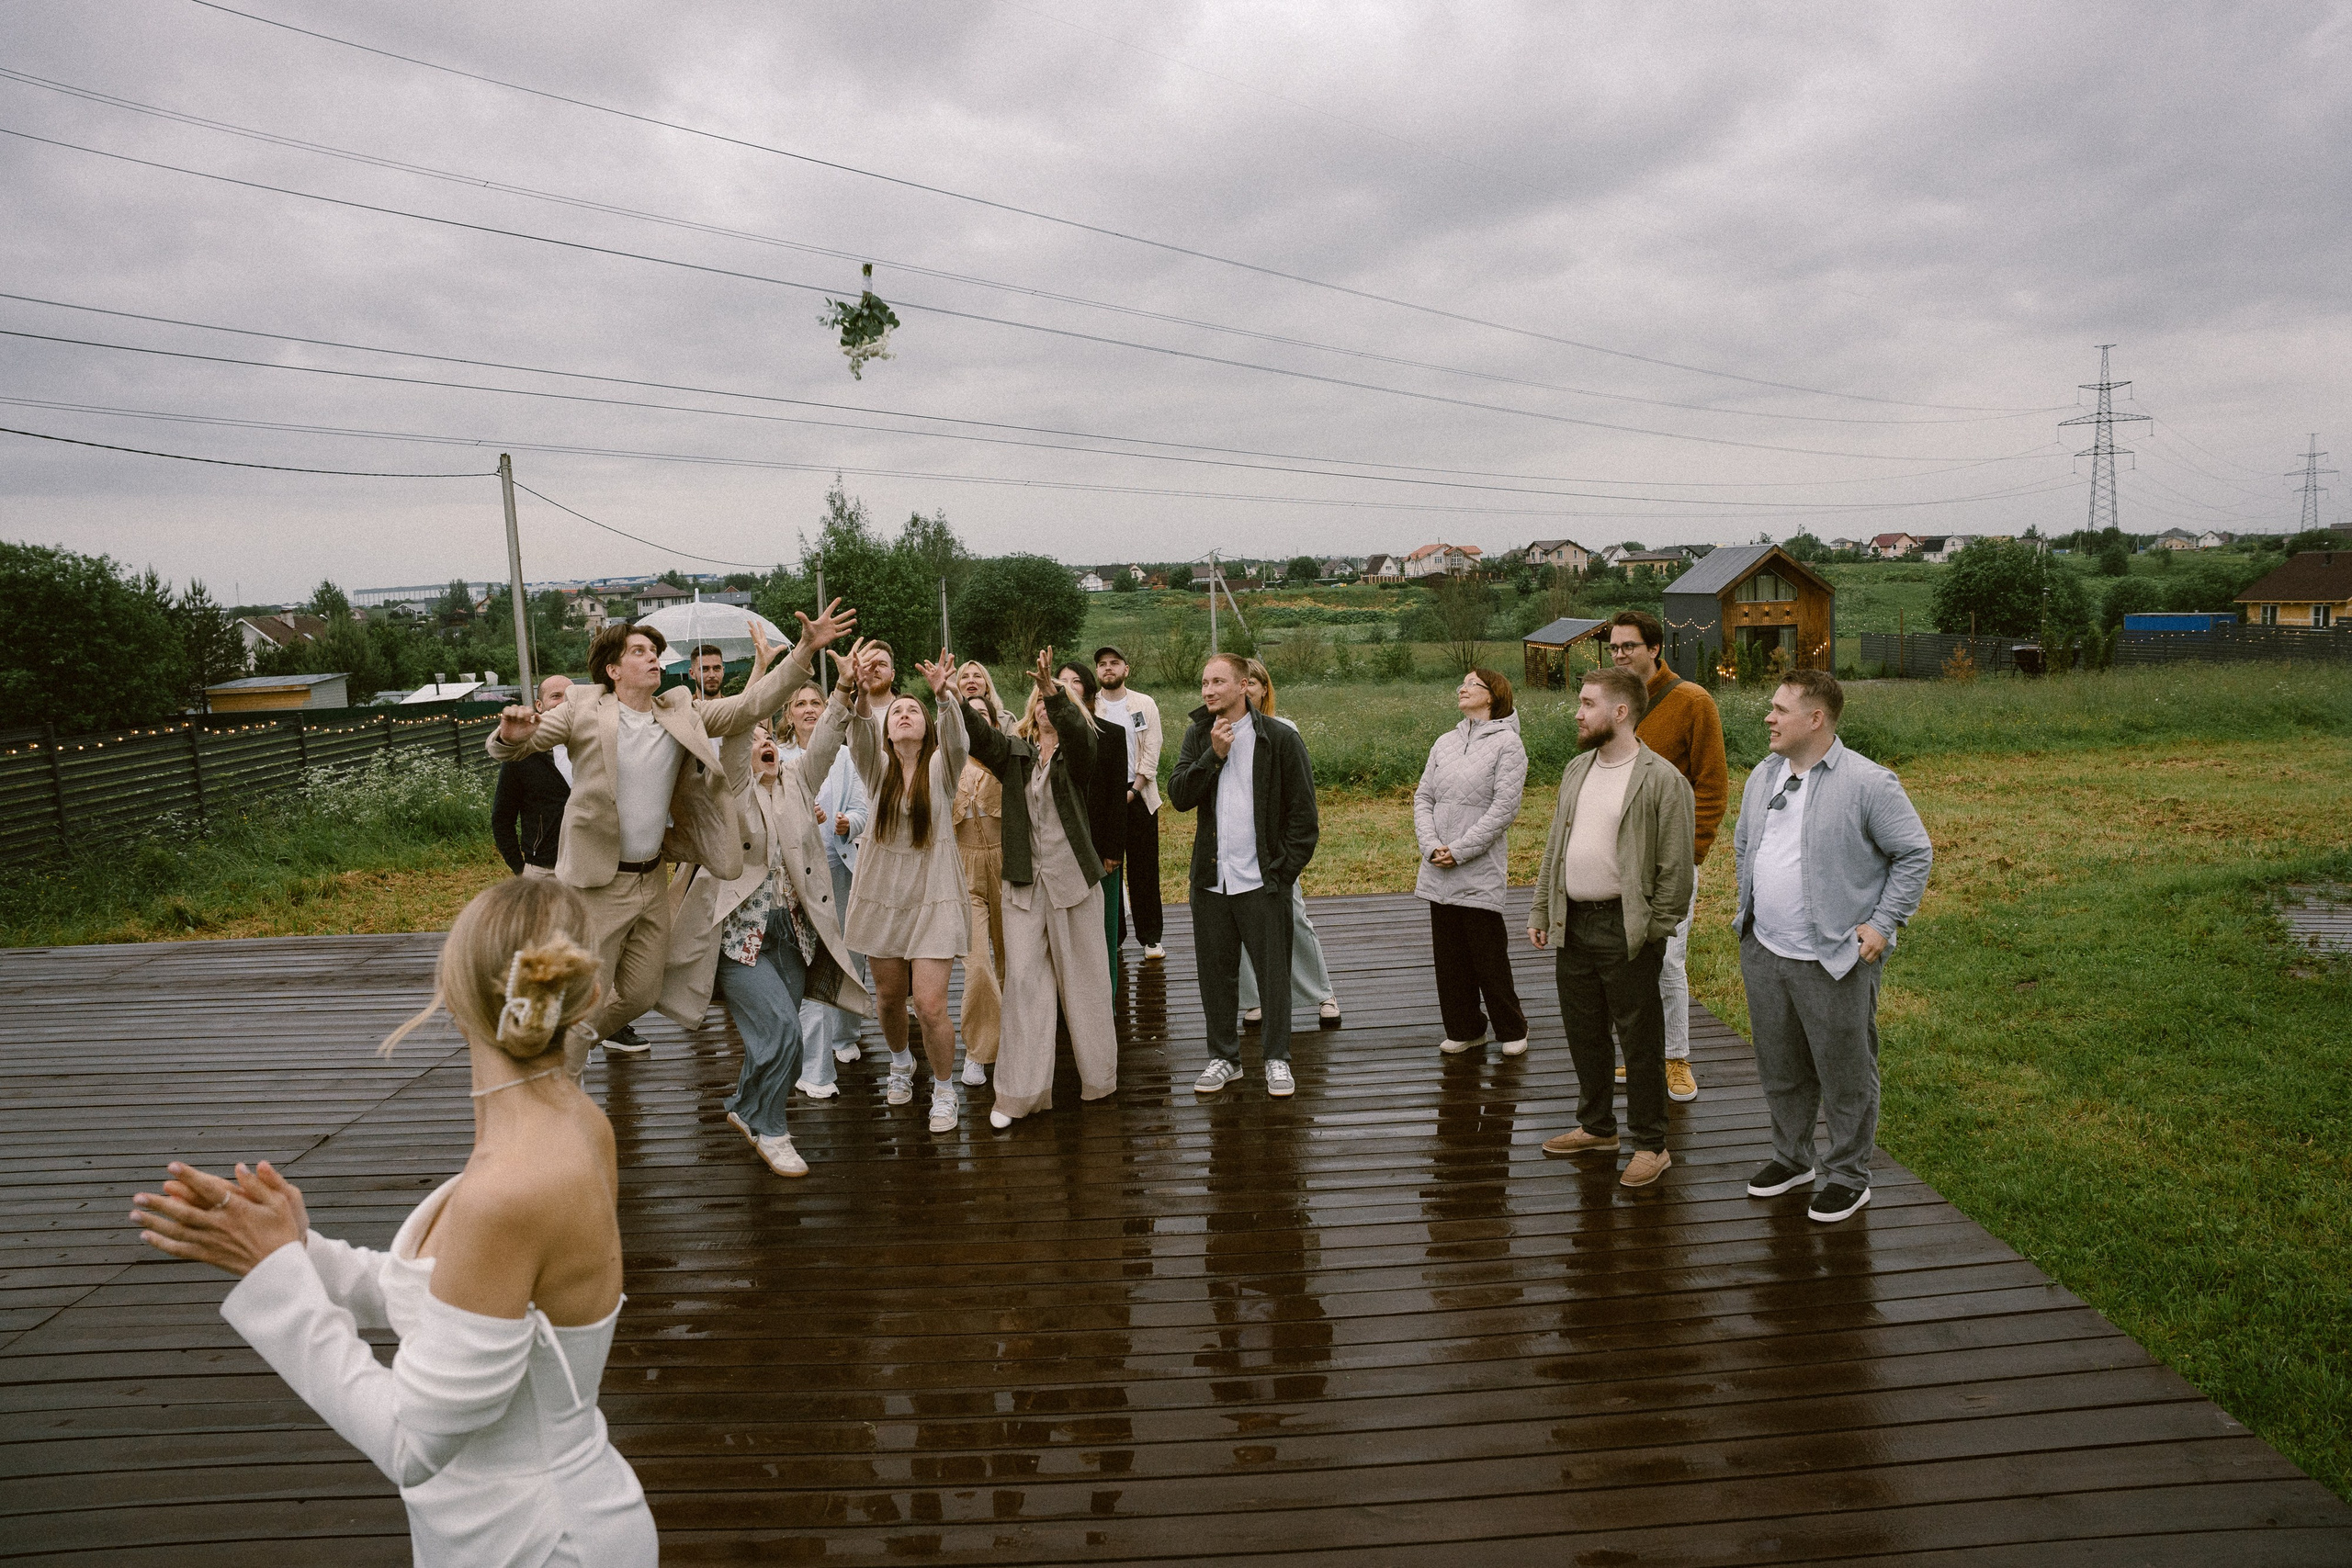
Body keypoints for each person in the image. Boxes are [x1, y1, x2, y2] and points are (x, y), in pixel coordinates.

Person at [130, 878, 658, 1566]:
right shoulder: (579, 1126)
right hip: (546, 1517)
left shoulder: (508, 1190)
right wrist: (301, 1251)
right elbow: (463, 1298)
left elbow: (410, 1444)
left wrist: (280, 1281)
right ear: (587, 995)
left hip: (537, 1542)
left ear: (451, 989)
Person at [486, 605, 853, 1058]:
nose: (653, 657)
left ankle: (563, 1042)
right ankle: (561, 1081)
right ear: (614, 669)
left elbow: (749, 706)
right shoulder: (582, 707)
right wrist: (512, 736)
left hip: (652, 879)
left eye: (655, 651)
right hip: (598, 883)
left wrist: (804, 651)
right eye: (639, 651)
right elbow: (523, 744)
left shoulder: (679, 710)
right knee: (585, 995)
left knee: (642, 993)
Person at [1731, 669, 1931, 1224]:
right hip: (1765, 950)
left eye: (1779, 709)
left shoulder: (1869, 783)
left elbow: (1914, 853)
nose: (1768, 718)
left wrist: (1883, 923)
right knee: (1781, 1065)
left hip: (1834, 957)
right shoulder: (1763, 775)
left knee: (1845, 1072)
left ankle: (1848, 1175)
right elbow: (1745, 840)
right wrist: (1748, 908)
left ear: (1815, 719)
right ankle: (1792, 1159)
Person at [691, 668, 871, 1177]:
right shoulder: (725, 788)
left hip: (791, 934)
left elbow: (829, 740)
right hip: (738, 938)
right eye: (751, 738)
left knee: (773, 1036)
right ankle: (773, 1131)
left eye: (767, 736)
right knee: (785, 1032)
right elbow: (734, 746)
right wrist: (760, 682)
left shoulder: (796, 780)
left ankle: (744, 1108)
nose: (761, 741)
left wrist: (840, 693)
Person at [1529, 667, 1694, 1190]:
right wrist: (1541, 910)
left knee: (1640, 1041)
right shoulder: (1577, 769)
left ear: (1620, 712)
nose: (1577, 712)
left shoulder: (1663, 779)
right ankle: (1597, 1128)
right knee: (1584, 1034)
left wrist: (1654, 931)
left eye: (1586, 703)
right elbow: (1555, 849)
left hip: (1627, 930)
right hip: (1573, 925)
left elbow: (1676, 870)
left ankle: (1651, 1144)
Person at [963, 649, 1120, 1128]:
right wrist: (951, 698)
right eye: (1042, 699)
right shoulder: (1016, 753)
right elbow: (980, 738)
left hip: (1073, 880)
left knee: (1086, 980)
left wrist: (1056, 690)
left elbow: (1077, 733)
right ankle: (1018, 1094)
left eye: (1058, 699)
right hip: (1024, 885)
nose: (1048, 706)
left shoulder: (1082, 750)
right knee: (1026, 984)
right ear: (1031, 711)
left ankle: (1099, 1079)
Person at [1168, 653, 1319, 1099]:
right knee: (1216, 976)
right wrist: (1212, 757)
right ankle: (1224, 1058)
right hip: (1212, 881)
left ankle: (1276, 1059)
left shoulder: (1279, 738)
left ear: (1243, 686)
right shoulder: (1198, 735)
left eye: (1217, 682)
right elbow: (1179, 795)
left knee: (1274, 977)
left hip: (1263, 882)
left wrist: (1282, 874)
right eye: (1204, 683)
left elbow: (1304, 818)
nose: (1208, 691)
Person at [844, 644, 970, 1133]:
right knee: (889, 997)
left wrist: (944, 696)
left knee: (932, 1003)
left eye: (911, 710)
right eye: (896, 711)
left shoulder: (942, 768)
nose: (902, 716)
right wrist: (856, 691)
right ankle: (901, 1062)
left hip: (934, 893)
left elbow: (958, 741)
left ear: (926, 725)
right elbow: (857, 734)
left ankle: (944, 1088)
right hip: (884, 894)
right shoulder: (877, 769)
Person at [1608, 610, 1728, 1103]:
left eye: (1628, 647)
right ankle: (1641, 1054)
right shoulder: (1619, 704)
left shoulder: (1692, 701)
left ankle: (1675, 1057)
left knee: (1668, 961)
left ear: (1655, 649)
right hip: (1618, 858)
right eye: (1613, 648)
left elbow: (1713, 784)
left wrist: (1691, 853)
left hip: (1670, 860)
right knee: (1629, 959)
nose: (1619, 655)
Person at [1414, 666, 1530, 1056]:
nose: (1462, 688)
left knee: (1488, 956)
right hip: (1437, 866)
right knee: (1448, 957)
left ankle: (1511, 1029)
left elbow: (1504, 809)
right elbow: (1423, 798)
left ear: (1492, 696)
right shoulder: (1444, 742)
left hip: (1477, 866)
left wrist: (1460, 850)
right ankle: (1466, 1028)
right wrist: (1432, 846)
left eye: (1471, 684)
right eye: (1461, 682)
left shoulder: (1508, 745)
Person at [1234, 660, 1342, 1031]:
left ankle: (1322, 993)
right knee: (1244, 925)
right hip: (1235, 847)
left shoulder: (1284, 731)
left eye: (1254, 683)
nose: (1246, 689)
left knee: (1294, 918)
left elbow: (1300, 798)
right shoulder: (1221, 732)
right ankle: (1254, 999)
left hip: (1274, 847)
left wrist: (1289, 851)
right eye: (1241, 682)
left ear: (1264, 689)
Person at [777, 681, 870, 1098]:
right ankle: (814, 1066)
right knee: (813, 958)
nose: (810, 709)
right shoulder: (779, 758)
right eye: (801, 704)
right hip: (798, 876)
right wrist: (800, 817)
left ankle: (846, 1031)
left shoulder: (846, 756)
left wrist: (848, 822)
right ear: (789, 714)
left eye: (817, 701)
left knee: (851, 952)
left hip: (841, 866)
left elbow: (863, 807)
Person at [950, 660, 1013, 1087]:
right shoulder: (946, 762)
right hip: (964, 867)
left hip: (1008, 864)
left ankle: (1018, 1038)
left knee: (1014, 959)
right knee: (977, 964)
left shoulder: (1008, 758)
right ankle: (979, 1048)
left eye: (981, 715)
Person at [1057, 659, 1129, 990]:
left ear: (1088, 690)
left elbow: (1117, 796)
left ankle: (1107, 1001)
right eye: (1060, 681)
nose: (1066, 687)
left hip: (1100, 849)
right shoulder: (1045, 734)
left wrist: (1114, 850)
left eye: (1074, 681)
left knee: (1102, 932)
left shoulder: (1111, 735)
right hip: (1057, 849)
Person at [1092, 646, 1166, 961]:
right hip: (1103, 797)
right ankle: (1114, 935)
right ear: (1097, 672)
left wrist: (1134, 790)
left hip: (1139, 794)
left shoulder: (1143, 704)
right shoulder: (1091, 706)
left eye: (1114, 663)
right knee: (1109, 867)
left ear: (1126, 669)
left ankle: (1151, 938)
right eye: (1102, 664)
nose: (1108, 668)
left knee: (1144, 868)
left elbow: (1152, 749)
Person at [491, 674, 573, 879]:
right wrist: (521, 869)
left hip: (590, 868)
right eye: (556, 696)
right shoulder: (522, 755)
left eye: (571, 696)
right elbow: (502, 819)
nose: (564, 702)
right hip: (544, 869)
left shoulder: (594, 747)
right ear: (539, 705)